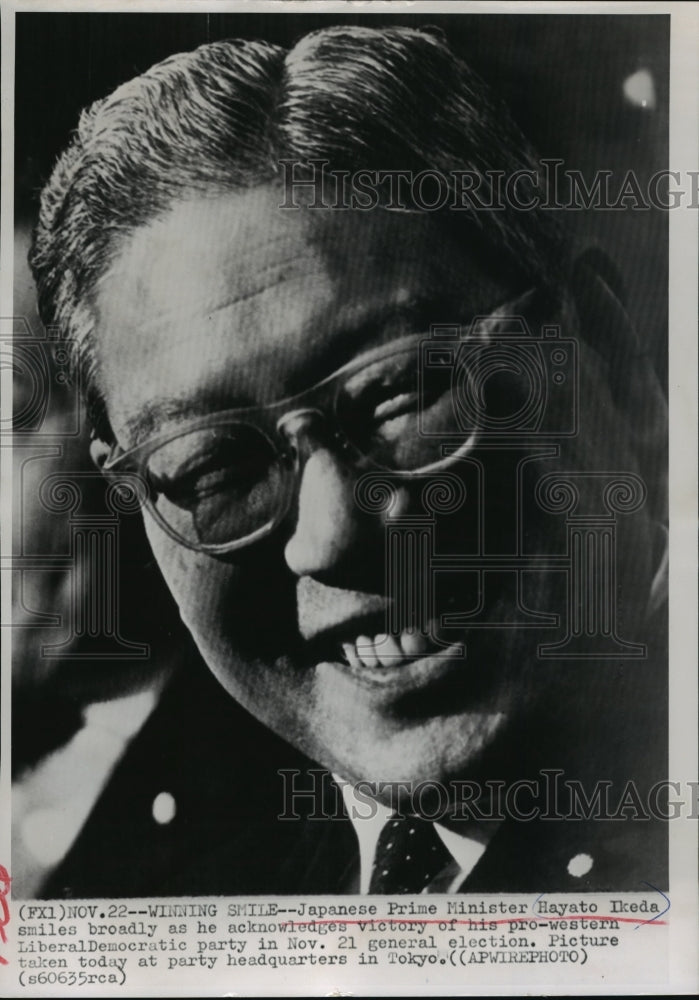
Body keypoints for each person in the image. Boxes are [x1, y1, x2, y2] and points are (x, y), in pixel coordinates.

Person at [28, 24, 668, 897]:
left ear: (611, 356)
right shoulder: (141, 870)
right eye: (215, 468)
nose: (330, 534)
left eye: (400, 391)